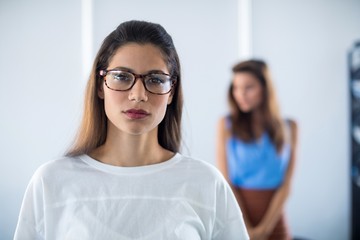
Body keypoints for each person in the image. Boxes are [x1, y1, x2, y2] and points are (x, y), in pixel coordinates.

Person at [14, 20, 249, 240]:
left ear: (172, 92)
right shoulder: (51, 182)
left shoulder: (206, 183)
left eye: (155, 79)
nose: (138, 95)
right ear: (100, 86)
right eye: (121, 77)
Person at [216, 59, 298, 240]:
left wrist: (263, 230)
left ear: (265, 88)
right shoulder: (226, 125)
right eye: (236, 88)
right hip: (237, 218)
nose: (240, 95)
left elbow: (286, 185)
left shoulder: (290, 127)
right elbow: (226, 182)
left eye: (248, 87)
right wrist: (246, 228)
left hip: (275, 220)